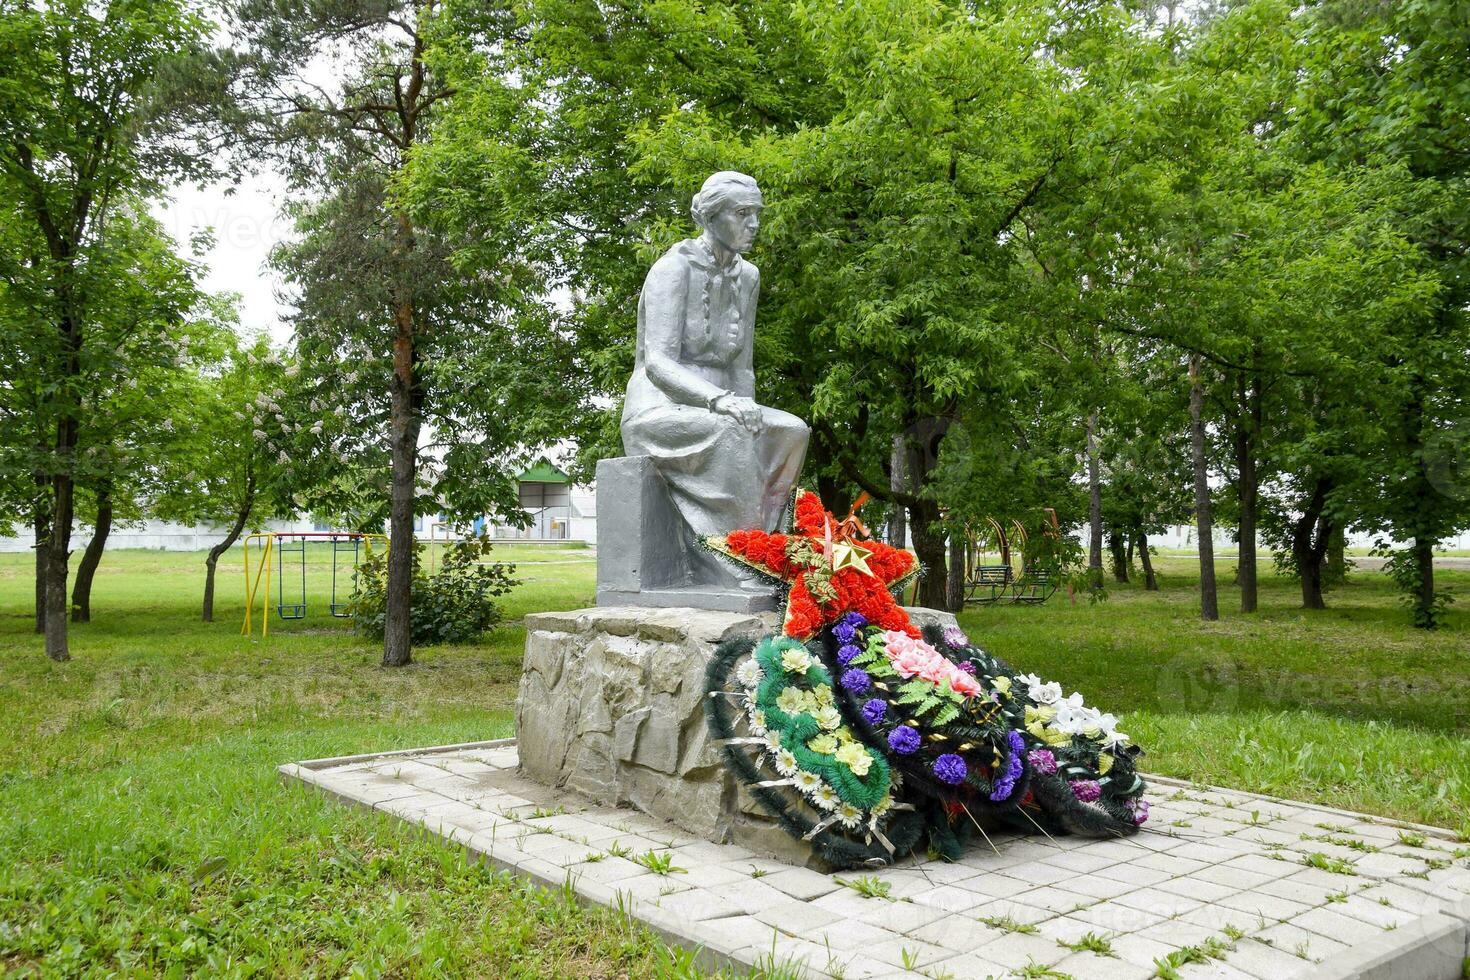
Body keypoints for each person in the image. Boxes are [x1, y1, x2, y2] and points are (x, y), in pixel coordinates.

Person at [621, 172, 809, 590]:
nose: (754, 224)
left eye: (757, 214)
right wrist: (723, 404)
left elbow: (742, 365)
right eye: (742, 214)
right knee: (730, 433)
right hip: (658, 409)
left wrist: (749, 412)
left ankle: (766, 547)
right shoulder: (673, 269)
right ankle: (737, 558)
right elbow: (659, 365)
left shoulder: (749, 276)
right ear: (709, 216)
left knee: (792, 430)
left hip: (722, 404)